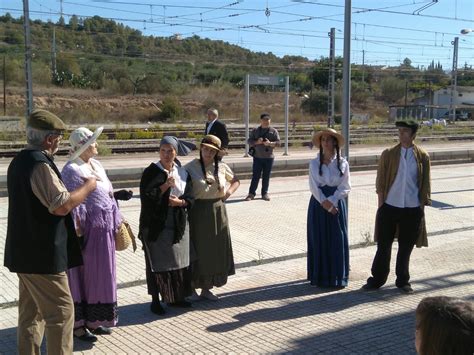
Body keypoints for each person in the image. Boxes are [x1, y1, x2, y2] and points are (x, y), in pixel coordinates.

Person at [3, 109, 97, 354]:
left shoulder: (19, 161)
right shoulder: (39, 164)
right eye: (58, 137)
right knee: (61, 314)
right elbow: (61, 205)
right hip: (43, 257)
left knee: (31, 315)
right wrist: (88, 186)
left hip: (24, 254)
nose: (59, 142)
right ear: (49, 139)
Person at [61, 127, 122, 342]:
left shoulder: (95, 164)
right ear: (84, 146)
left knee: (100, 276)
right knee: (82, 277)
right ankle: (78, 326)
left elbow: (106, 192)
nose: (97, 144)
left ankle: (96, 321)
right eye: (93, 142)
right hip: (86, 235)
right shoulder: (71, 170)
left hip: (103, 231)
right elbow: (72, 202)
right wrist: (79, 233)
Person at [362, 120, 431, 294]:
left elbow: (425, 185)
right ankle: (377, 279)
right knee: (383, 246)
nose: (401, 134)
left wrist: (421, 209)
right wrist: (381, 207)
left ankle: (403, 281)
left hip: (412, 208)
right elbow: (381, 182)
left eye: (405, 131)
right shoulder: (389, 154)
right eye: (399, 131)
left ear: (413, 134)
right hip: (390, 206)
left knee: (405, 247)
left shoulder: (422, 156)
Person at [139, 136, 195, 315]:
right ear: (159, 152)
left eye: (170, 151)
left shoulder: (182, 172)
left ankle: (176, 297)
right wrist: (165, 187)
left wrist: (180, 203)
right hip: (156, 225)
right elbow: (147, 197)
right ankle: (156, 300)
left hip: (177, 222)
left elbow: (191, 197)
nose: (166, 154)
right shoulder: (151, 171)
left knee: (178, 262)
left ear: (176, 152)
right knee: (157, 263)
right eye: (163, 150)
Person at [185, 135, 240, 300]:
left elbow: (236, 181)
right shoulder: (190, 168)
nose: (208, 153)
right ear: (201, 149)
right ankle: (192, 288)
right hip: (198, 212)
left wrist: (227, 194)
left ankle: (207, 289)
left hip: (217, 212)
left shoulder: (222, 167)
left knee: (214, 251)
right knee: (198, 250)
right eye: (206, 149)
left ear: (217, 153)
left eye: (212, 151)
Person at [307, 128, 351, 288]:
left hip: (337, 204)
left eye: (328, 139)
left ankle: (338, 276)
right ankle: (320, 277)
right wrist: (324, 202)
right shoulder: (313, 163)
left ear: (334, 142)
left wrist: (332, 201)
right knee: (319, 237)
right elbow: (313, 186)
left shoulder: (343, 163)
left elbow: (346, 186)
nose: (325, 142)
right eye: (323, 139)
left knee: (337, 238)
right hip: (318, 204)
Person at [245, 113, 281, 201]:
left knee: (266, 176)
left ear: (270, 120)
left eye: (268, 120)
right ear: (261, 120)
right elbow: (249, 141)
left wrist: (270, 144)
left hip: (269, 157)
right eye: (264, 120)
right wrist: (257, 142)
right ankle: (251, 193)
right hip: (257, 157)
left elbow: (279, 143)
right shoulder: (255, 130)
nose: (266, 121)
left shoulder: (273, 131)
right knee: (255, 176)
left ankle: (264, 193)